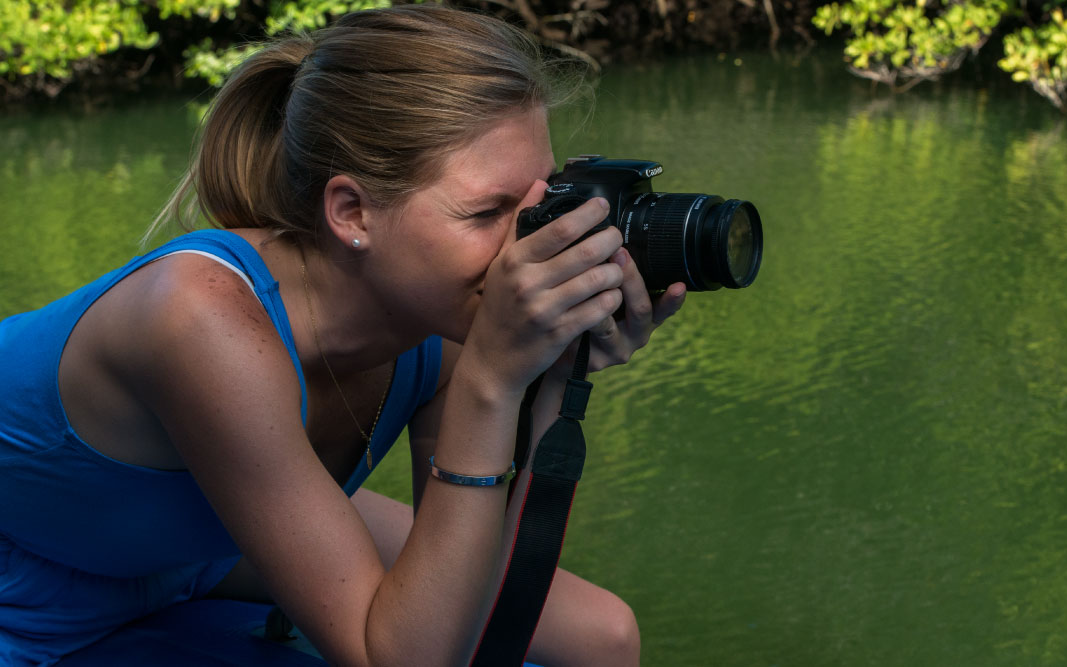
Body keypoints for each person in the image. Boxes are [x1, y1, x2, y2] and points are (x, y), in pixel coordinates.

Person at [0, 5, 685, 665]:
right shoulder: (200, 318)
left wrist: (549, 377)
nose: (528, 245)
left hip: (190, 546)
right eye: (487, 211)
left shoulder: (443, 323)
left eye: (540, 202)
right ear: (352, 211)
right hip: (26, 576)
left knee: (603, 635)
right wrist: (491, 378)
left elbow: (473, 580)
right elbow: (398, 657)